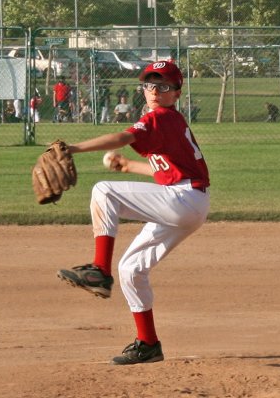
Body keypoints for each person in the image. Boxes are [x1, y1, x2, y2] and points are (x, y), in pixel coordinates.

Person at [57, 61, 210, 365]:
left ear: (176, 93)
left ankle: (99, 270)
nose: (155, 91)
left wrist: (72, 148)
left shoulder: (162, 117)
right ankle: (148, 344)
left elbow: (122, 138)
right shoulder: (169, 122)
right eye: (150, 85)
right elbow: (166, 171)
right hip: (186, 201)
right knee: (131, 269)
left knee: (104, 191)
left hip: (184, 198)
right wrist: (128, 166)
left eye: (163, 85)